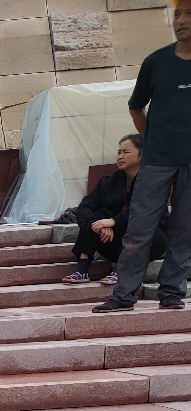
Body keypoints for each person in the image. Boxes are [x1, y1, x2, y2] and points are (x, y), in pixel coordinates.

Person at [93, 0, 191, 312]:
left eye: (189, 13)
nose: (181, 20)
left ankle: (172, 291)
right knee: (139, 228)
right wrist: (152, 139)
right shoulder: (156, 62)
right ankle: (124, 294)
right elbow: (135, 106)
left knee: (185, 230)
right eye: (177, 13)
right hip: (157, 160)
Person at [62, 134, 168, 285]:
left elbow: (144, 211)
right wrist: (96, 224)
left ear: (142, 154)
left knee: (136, 223)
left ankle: (119, 271)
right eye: (119, 152)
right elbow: (84, 207)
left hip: (151, 240)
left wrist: (113, 221)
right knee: (94, 217)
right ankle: (83, 270)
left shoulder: (153, 182)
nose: (120, 156)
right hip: (111, 241)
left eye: (126, 152)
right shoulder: (108, 182)